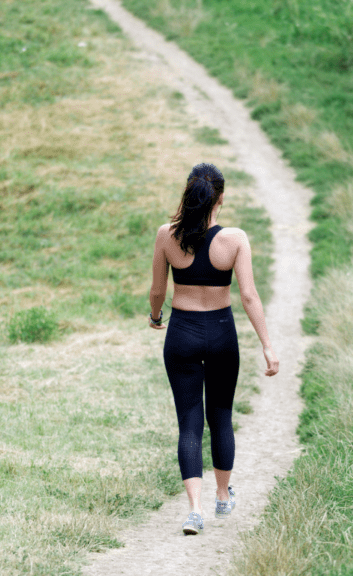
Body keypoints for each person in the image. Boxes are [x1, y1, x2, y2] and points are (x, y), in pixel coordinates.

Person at [148, 162, 279, 535]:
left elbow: (158, 290)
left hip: (182, 334)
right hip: (221, 334)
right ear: (220, 197)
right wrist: (268, 347)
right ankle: (223, 496)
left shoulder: (166, 235)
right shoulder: (235, 239)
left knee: (188, 423)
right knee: (220, 416)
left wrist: (156, 316)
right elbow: (249, 296)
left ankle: (194, 510)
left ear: (188, 193)